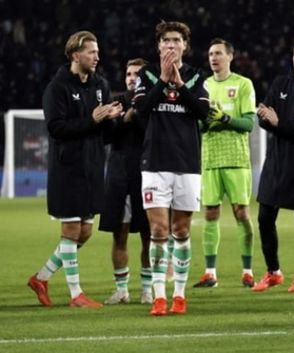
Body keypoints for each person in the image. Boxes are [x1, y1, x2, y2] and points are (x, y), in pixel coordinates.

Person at [28, 30, 122, 309]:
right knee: (70, 230)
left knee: (85, 233)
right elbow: (56, 129)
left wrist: (113, 119)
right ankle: (76, 295)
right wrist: (92, 119)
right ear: (75, 55)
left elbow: (103, 132)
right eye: (91, 52)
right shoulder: (56, 88)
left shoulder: (100, 85)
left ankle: (41, 278)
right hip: (67, 168)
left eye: (97, 51)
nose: (97, 56)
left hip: (93, 167)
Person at [133, 21, 209, 316]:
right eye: (166, 40)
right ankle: (159, 295)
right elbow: (140, 109)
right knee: (159, 229)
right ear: (159, 45)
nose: (171, 45)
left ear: (185, 46)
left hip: (187, 163)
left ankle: (179, 294)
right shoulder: (148, 74)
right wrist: (163, 81)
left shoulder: (196, 76)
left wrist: (178, 85)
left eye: (176, 40)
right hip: (154, 162)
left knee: (181, 229)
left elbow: (203, 112)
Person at [254, 39, 294, 293]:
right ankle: (273, 272)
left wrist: (278, 123)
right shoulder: (280, 83)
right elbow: (263, 118)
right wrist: (274, 121)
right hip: (276, 161)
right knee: (264, 217)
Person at [194, 38, 256, 289]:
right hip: (210, 159)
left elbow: (249, 124)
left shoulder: (242, 84)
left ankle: (248, 271)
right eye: (210, 53)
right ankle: (210, 273)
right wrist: (210, 121)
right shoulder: (203, 85)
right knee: (210, 213)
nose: (213, 58)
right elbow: (198, 125)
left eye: (218, 53)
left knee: (241, 212)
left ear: (230, 57)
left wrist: (225, 117)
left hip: (236, 160)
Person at [99, 57, 153, 305]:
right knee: (118, 236)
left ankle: (147, 289)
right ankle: (121, 290)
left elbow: (153, 134)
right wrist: (122, 119)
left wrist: (136, 116)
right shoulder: (116, 102)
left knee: (148, 235)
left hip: (146, 176)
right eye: (129, 73)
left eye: (137, 74)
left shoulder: (153, 102)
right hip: (119, 176)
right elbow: (106, 137)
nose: (132, 78)